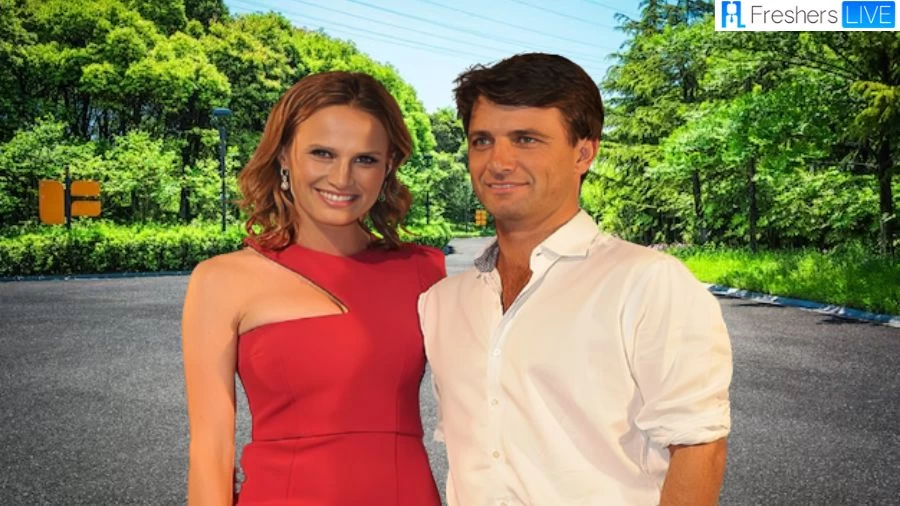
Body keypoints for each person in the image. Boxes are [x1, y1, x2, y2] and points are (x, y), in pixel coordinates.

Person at [419, 53, 732, 506]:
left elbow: (699, 447)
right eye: (482, 140)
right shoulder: (442, 303)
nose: (498, 162)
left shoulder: (648, 283)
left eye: (526, 139)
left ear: (583, 153)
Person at [181, 71, 445, 506]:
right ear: (285, 155)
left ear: (389, 166)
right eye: (322, 153)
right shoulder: (220, 280)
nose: (342, 178)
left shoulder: (425, 273)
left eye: (365, 159)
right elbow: (211, 450)